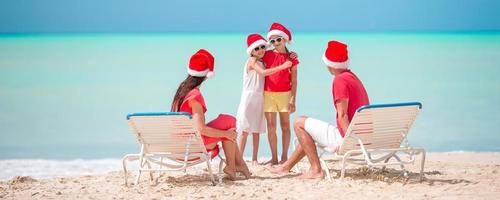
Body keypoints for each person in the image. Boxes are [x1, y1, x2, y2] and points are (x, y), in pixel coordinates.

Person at [267, 40, 369, 179]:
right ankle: (285, 167)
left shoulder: (340, 80)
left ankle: (316, 170)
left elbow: (343, 115)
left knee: (299, 122)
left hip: (349, 140)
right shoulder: (353, 78)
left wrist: (348, 143)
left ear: (329, 63)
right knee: (309, 129)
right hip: (363, 139)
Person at [171, 49, 251, 181]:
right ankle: (234, 166)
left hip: (179, 144)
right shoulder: (195, 96)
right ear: (206, 74)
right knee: (228, 129)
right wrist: (225, 134)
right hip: (191, 146)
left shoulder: (181, 91)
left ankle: (238, 166)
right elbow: (201, 129)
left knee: (227, 121)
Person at [236, 34, 293, 165]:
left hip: (260, 97)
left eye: (263, 47)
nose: (261, 50)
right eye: (257, 48)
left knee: (256, 129)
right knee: (245, 130)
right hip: (249, 98)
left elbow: (279, 52)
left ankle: (254, 158)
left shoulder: (262, 61)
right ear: (251, 51)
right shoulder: (252, 61)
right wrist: (283, 66)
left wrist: (290, 55)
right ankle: (239, 158)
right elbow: (263, 73)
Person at [262, 22, 300, 165]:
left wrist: (293, 99)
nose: (276, 43)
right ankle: (274, 157)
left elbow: (294, 81)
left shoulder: (292, 58)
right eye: (273, 40)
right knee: (271, 127)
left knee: (285, 126)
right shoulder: (266, 54)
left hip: (285, 94)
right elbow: (254, 54)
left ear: (285, 40)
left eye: (279, 39)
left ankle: (284, 157)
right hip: (268, 94)